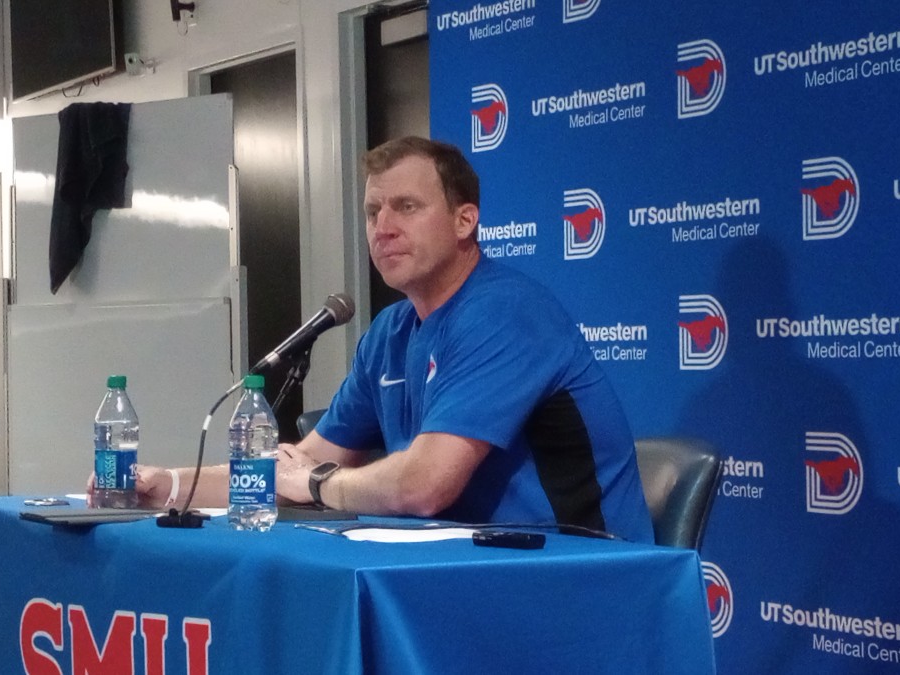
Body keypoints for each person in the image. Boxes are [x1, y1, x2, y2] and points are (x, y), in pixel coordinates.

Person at [114, 136, 653, 542]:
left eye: (407, 207)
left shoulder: (505, 312)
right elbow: (291, 467)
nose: (383, 227)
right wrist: (168, 485)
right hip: (460, 566)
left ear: (466, 220)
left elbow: (423, 485)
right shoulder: (390, 332)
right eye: (374, 212)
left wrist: (321, 484)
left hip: (577, 571)